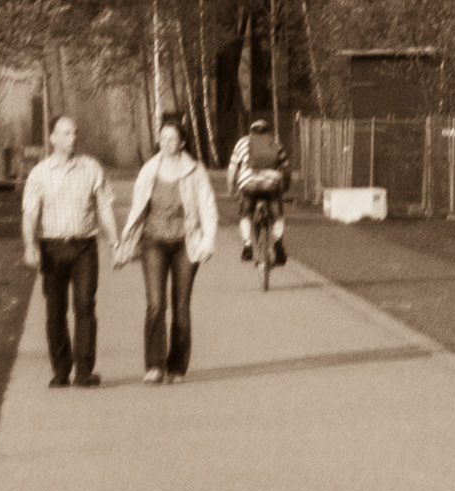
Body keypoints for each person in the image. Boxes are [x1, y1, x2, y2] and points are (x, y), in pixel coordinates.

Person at [122, 112, 217, 383]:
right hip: (153, 242)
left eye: (172, 138)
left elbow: (207, 207)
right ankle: (154, 365)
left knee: (181, 306)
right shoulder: (149, 169)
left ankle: (176, 367)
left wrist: (208, 241)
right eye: (163, 138)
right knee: (155, 304)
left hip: (185, 243)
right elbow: (137, 207)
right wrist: (127, 237)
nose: (166, 143)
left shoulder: (195, 171)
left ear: (182, 142)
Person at [20, 114, 110, 387]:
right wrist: (30, 245)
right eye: (67, 133)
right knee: (55, 311)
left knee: (85, 305)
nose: (73, 138)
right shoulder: (40, 173)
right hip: (52, 247)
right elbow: (30, 213)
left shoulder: (91, 168)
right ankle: (61, 370)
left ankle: (84, 371)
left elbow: (104, 206)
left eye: (75, 132)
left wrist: (115, 240)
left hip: (84, 246)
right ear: (53, 138)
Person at [228, 115, 289, 288]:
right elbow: (286, 169)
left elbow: (232, 169)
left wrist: (231, 189)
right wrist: (284, 188)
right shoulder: (276, 143)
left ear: (251, 131)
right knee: (277, 216)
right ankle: (278, 243)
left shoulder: (242, 143)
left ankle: (247, 245)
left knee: (245, 214)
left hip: (249, 183)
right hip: (271, 184)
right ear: (268, 131)